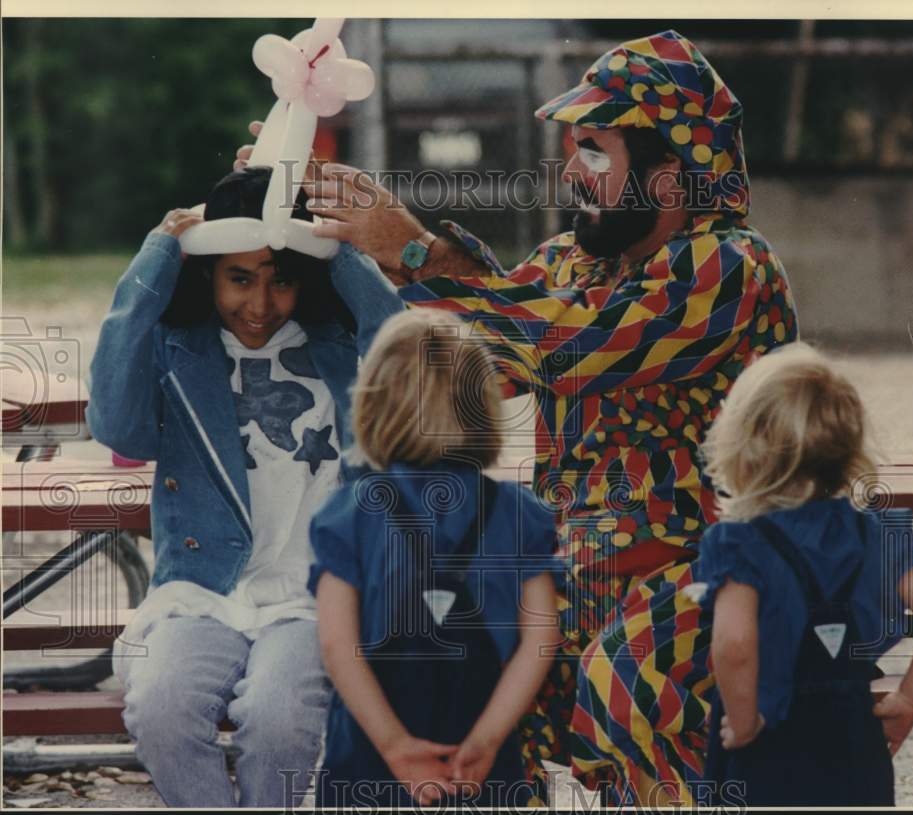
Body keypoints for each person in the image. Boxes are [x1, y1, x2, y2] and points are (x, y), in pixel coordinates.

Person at [241, 29, 799, 801]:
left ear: (671, 177)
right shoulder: (575, 263)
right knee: (451, 674)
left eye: (596, 150)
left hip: (709, 565)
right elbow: (479, 356)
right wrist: (314, 221)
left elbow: (557, 344)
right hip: (575, 570)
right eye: (574, 148)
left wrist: (407, 249)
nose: (572, 169)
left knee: (624, 683)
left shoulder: (729, 264)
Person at [87, 167, 404, 807]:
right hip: (200, 593)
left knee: (281, 718)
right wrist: (155, 261)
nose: (259, 304)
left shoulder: (345, 353)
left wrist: (340, 253)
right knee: (162, 709)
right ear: (207, 273)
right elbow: (118, 425)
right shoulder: (181, 353)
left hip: (315, 598)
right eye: (239, 278)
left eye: (280, 278)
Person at [308, 308, 562, 808]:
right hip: (479, 748)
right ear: (483, 407)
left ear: (375, 407)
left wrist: (396, 748)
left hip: (372, 745)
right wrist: (488, 740)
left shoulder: (350, 512)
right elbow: (540, 639)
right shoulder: (520, 514)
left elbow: (338, 645)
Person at [691, 342, 913, 807]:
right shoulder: (880, 536)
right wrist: (909, 700)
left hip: (770, 743)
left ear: (743, 449)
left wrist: (745, 720)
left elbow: (734, 646)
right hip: (855, 741)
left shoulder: (739, 546)